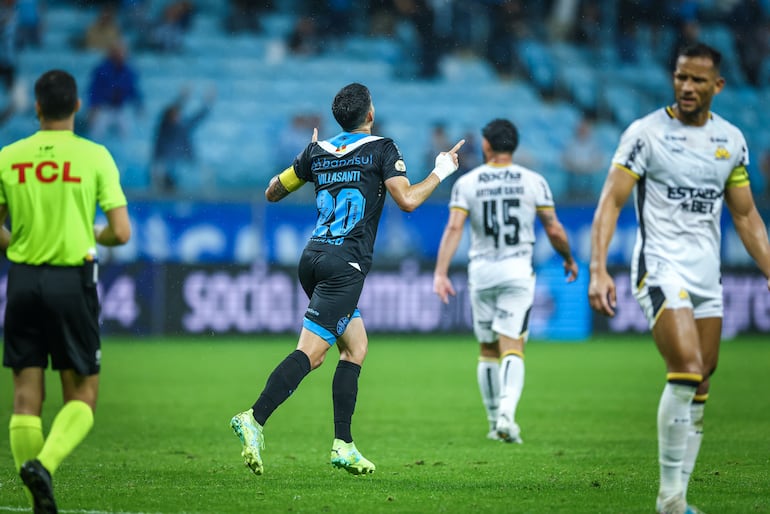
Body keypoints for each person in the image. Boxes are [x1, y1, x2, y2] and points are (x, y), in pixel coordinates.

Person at [230, 82, 464, 476]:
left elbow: (272, 192)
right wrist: (442, 170)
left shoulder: (316, 151)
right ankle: (253, 418)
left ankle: (344, 444)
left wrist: (305, 159)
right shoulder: (382, 148)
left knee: (355, 347)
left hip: (313, 257)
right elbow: (407, 200)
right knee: (313, 353)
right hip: (345, 266)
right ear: (370, 114)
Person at [588, 42, 770, 514]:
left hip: (707, 274)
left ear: (717, 86)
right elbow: (610, 201)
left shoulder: (730, 139)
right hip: (660, 265)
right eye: (680, 77)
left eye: (696, 80)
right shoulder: (646, 134)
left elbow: (747, 217)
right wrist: (598, 267)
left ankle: (680, 499)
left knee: (702, 381)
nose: (686, 87)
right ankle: (669, 500)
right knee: (687, 367)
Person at [0, 69, 131, 512]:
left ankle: (34, 499)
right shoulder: (94, 156)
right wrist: (93, 232)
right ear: (76, 107)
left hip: (20, 281)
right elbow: (121, 232)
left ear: (37, 108)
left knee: (24, 397)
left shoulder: (9, 156)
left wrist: (17, 243)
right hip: (71, 282)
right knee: (83, 396)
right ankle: (45, 465)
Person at [433, 118, 578, 444]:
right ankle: (507, 417)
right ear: (514, 146)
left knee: (487, 349)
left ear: (486, 145)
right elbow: (553, 228)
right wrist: (568, 257)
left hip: (482, 273)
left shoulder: (467, 183)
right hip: (516, 272)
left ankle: (492, 420)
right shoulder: (534, 181)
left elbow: (454, 229)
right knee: (512, 346)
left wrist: (441, 272)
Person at [151, 86, 215, 193]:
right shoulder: (165, 127)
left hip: (182, 159)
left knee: (204, 172)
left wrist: (207, 103)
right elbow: (174, 109)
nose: (177, 118)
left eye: (178, 115)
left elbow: (198, 117)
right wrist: (182, 98)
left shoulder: (183, 126)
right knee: (159, 171)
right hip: (166, 162)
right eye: (175, 116)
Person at [85, 41, 142, 141]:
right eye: (118, 52)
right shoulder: (102, 69)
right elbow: (94, 89)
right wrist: (93, 107)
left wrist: (139, 105)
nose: (121, 55)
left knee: (127, 135)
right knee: (96, 134)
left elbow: (133, 90)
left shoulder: (129, 71)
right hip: (104, 107)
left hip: (121, 107)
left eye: (123, 52)